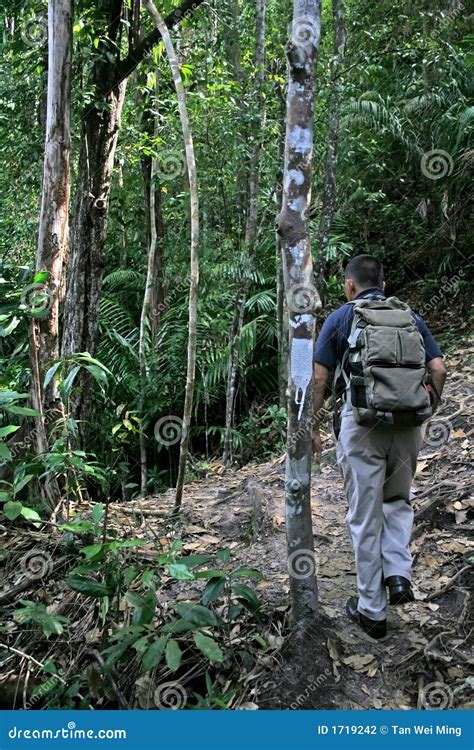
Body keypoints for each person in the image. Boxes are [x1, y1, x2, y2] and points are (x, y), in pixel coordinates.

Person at [312, 255, 447, 639]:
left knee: (365, 515)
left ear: (350, 286)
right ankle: (400, 576)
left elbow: (320, 377)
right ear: (382, 285)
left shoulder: (341, 318)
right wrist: (426, 411)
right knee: (398, 501)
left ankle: (372, 611)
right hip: (408, 426)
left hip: (363, 425)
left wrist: (311, 428)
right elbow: (438, 367)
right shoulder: (408, 316)